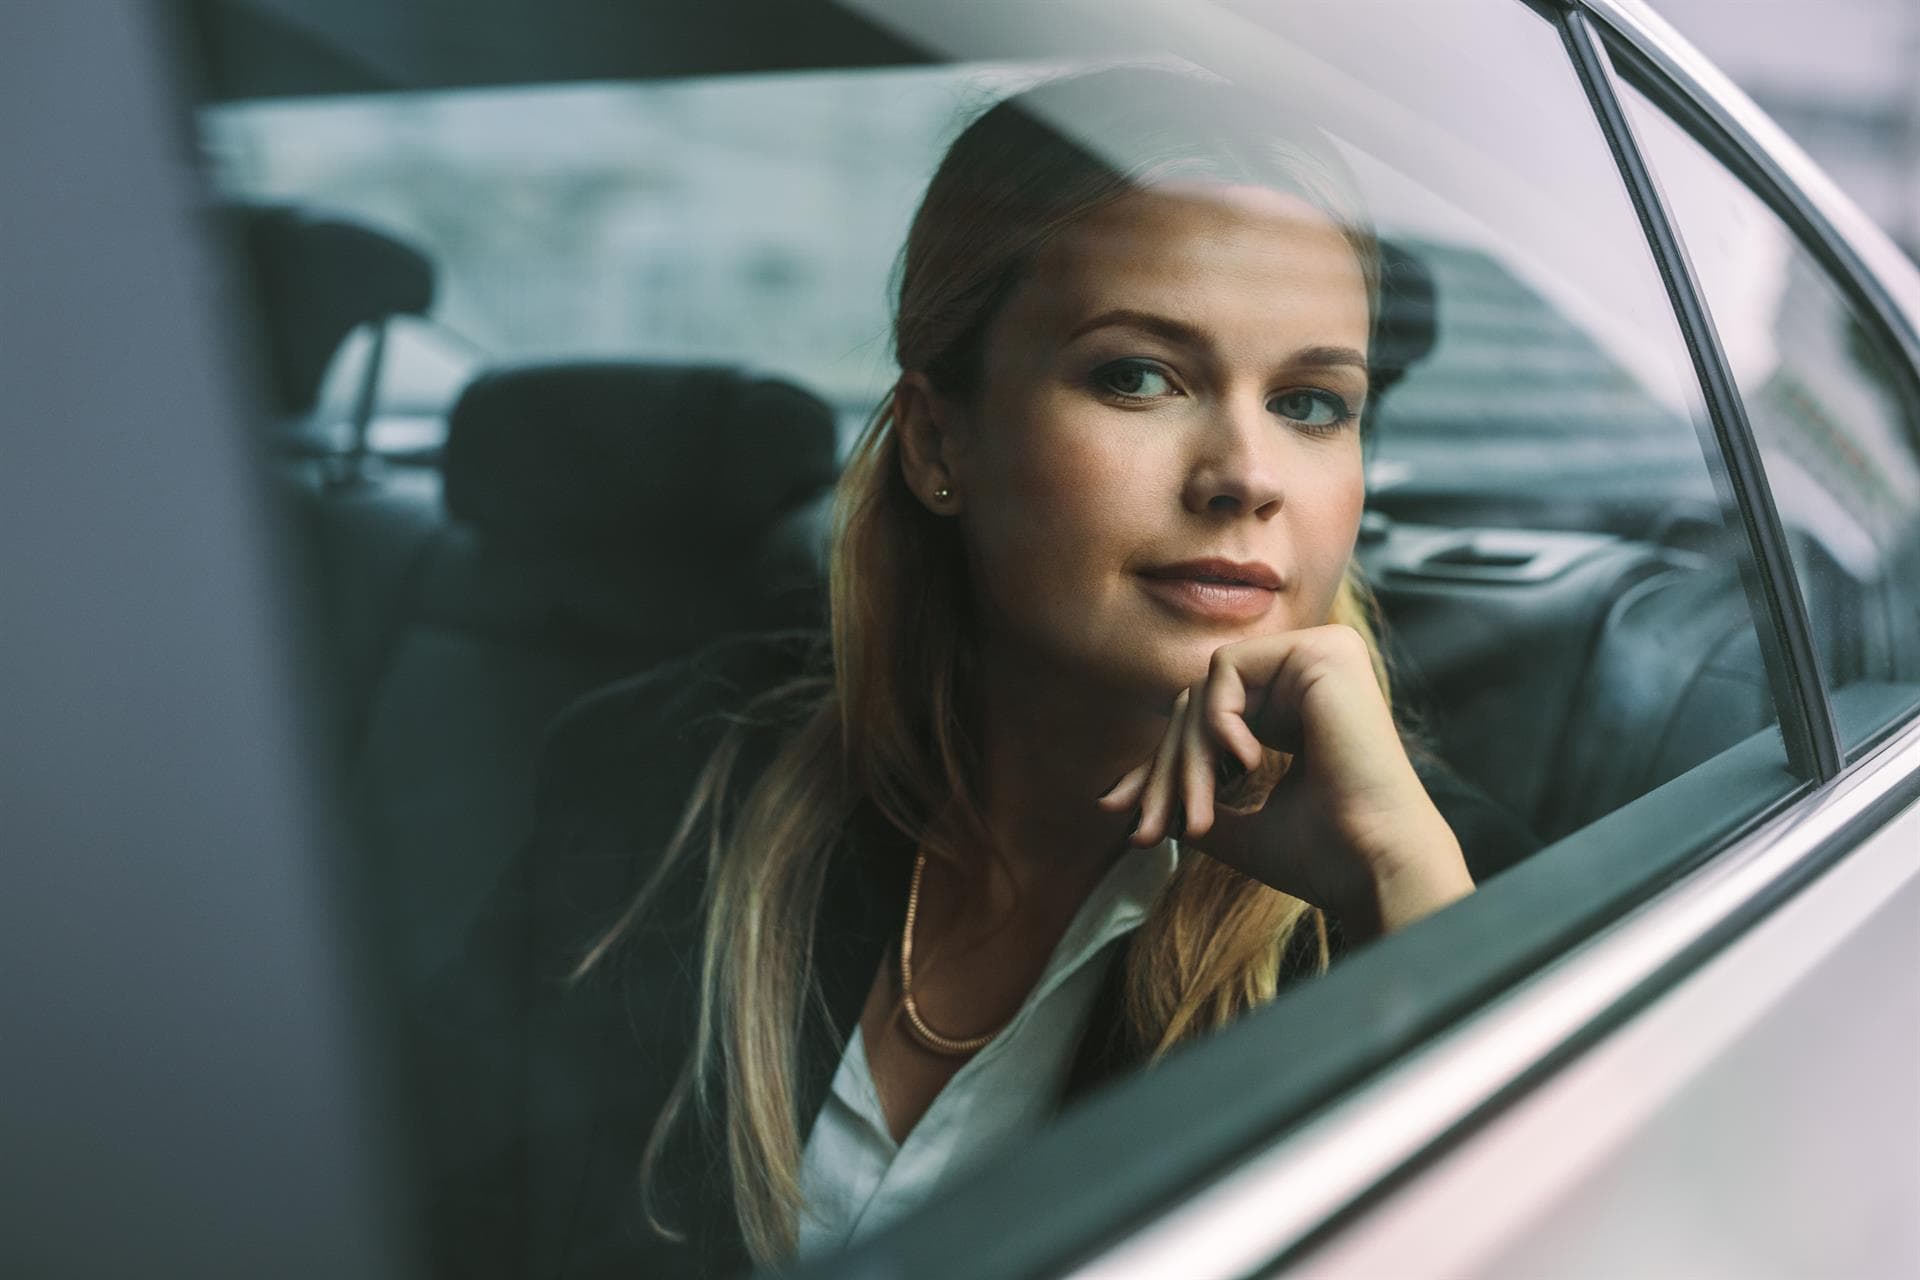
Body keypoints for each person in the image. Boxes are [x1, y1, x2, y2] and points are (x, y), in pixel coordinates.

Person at [413, 66, 1537, 1280]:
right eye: (1137, 375)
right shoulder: (662, 783)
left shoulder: (1455, 890)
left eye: (1314, 402)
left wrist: (1398, 900)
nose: (1245, 475)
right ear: (941, 438)